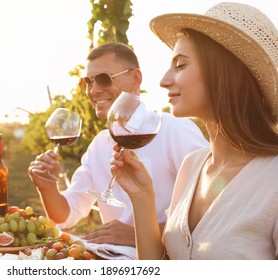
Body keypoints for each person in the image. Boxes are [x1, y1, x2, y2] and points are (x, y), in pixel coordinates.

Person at [110, 2, 278, 259]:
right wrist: (142, 196)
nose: (164, 80)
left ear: (224, 73)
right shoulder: (192, 165)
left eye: (180, 65)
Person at [28, 42, 209, 248]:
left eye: (104, 79)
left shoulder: (174, 130)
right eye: (88, 82)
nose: (94, 90)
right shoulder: (99, 145)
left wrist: (137, 234)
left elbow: (212, 211)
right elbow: (65, 216)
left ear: (135, 79)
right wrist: (48, 187)